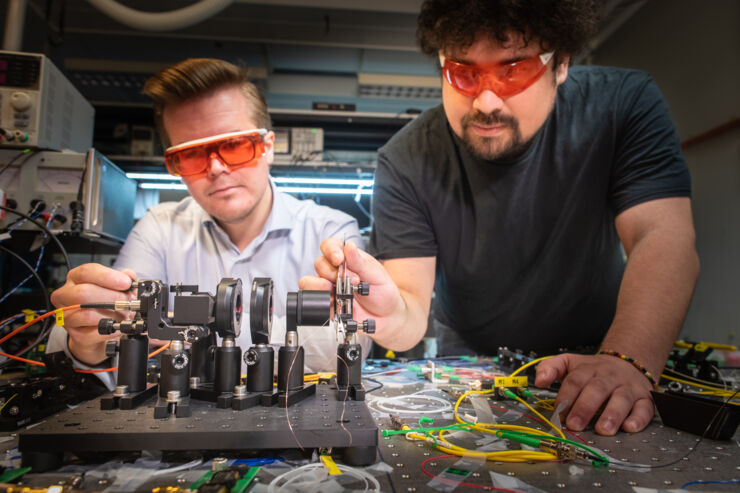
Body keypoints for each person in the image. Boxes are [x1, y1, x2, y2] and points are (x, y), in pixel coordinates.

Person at [301, 0, 699, 435]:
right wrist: (390, 315)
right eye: (464, 74)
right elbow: (410, 310)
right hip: (471, 362)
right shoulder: (405, 160)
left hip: (601, 351)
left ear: (560, 63)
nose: (486, 101)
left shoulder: (622, 106)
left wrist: (626, 358)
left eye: (513, 70)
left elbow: (662, 237)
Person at [48, 58, 368, 389]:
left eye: (233, 145)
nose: (215, 168)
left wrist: (196, 330)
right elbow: (107, 347)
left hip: (301, 434)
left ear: (267, 147)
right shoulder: (159, 229)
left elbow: (347, 350)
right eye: (192, 155)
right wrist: (84, 341)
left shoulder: (330, 230)